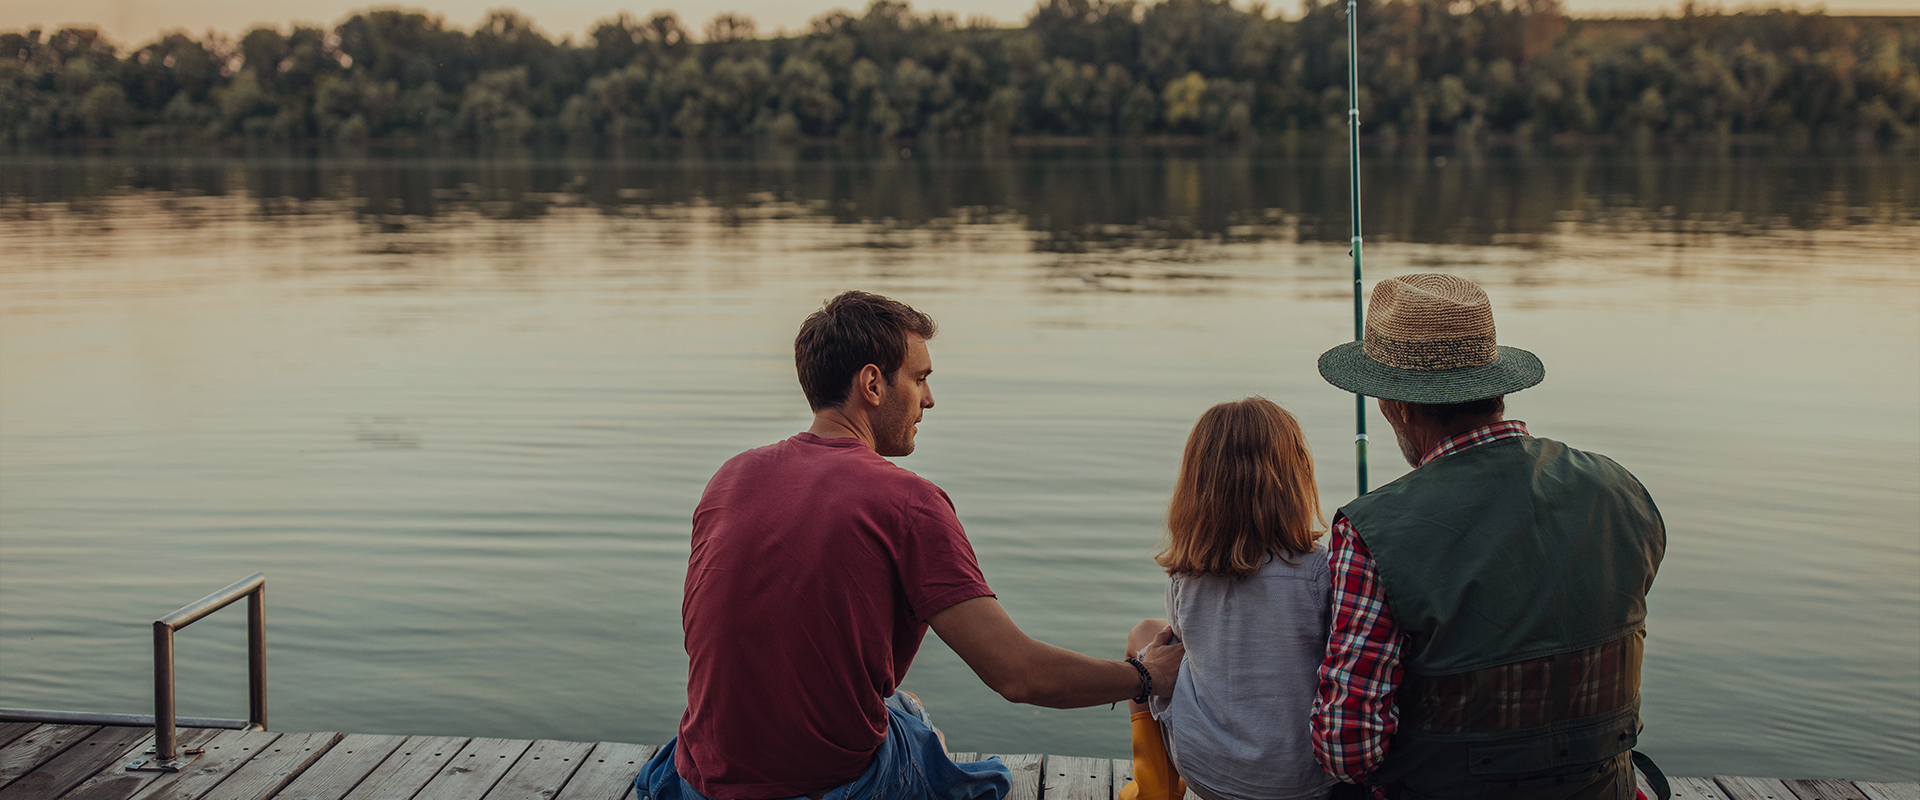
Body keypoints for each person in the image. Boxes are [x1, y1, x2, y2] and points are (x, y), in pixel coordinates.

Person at [640, 290, 1186, 800]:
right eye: (919, 378)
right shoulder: (908, 501)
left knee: (900, 706)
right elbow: (1018, 675)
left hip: (703, 780)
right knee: (949, 751)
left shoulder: (731, 476)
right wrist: (1145, 675)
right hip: (829, 786)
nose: (929, 399)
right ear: (873, 385)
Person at [1309, 273, 1667, 800]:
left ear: (1397, 406)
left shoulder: (1368, 532)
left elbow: (1347, 751)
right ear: (1497, 386)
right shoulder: (1622, 491)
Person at [1118, 397, 1339, 800]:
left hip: (1210, 773)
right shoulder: (1323, 570)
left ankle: (1155, 788)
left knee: (1146, 636)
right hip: (1308, 778)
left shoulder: (1185, 575)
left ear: (1197, 485)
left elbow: (1185, 648)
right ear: (1296, 478)